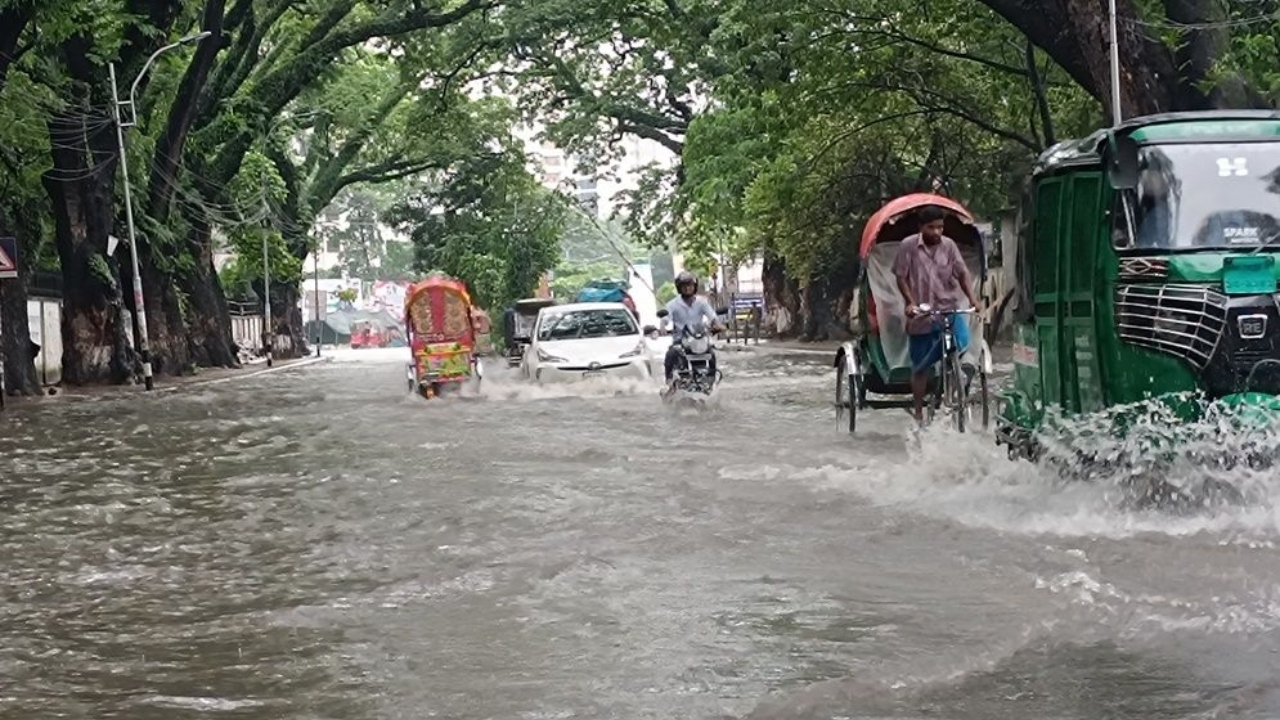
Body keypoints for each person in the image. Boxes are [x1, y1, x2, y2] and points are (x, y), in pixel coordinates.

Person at [893, 205, 982, 426]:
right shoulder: (908, 246)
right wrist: (910, 302)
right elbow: (901, 277)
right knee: (920, 367)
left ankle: (956, 383)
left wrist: (973, 299)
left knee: (962, 344)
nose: (937, 232)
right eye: (931, 227)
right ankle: (918, 412)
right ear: (921, 227)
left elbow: (962, 273)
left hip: (948, 309)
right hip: (922, 314)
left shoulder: (949, 246)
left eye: (940, 227)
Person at [660, 270, 722, 393]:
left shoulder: (701, 303)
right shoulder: (673, 304)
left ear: (695, 286)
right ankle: (669, 382)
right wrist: (662, 327)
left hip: (698, 339)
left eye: (690, 285)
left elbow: (713, 317)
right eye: (684, 285)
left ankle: (711, 381)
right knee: (671, 354)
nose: (688, 288)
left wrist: (718, 326)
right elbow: (665, 319)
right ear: (679, 288)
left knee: (711, 354)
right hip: (680, 340)